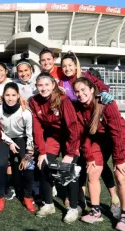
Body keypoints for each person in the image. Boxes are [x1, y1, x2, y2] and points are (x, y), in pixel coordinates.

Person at [60, 52, 119, 213]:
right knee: (82, 162)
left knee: (97, 164)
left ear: (76, 65)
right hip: (76, 128)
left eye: (70, 65)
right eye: (64, 66)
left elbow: (102, 88)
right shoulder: (62, 82)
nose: (67, 68)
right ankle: (80, 198)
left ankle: (114, 196)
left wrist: (106, 92)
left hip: (95, 129)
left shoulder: (87, 77)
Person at [73, 77, 125, 231]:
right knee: (92, 172)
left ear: (92, 89)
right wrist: (89, 156)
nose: (80, 94)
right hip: (100, 141)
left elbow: (117, 132)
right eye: (77, 91)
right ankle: (95, 211)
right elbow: (83, 135)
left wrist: (119, 159)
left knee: (121, 175)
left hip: (121, 139)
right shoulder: (79, 108)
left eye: (83, 90)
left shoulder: (106, 103)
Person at [28, 72, 81, 223]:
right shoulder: (34, 101)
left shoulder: (63, 100)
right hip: (53, 136)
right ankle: (48, 204)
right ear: (36, 86)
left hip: (70, 136)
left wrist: (70, 153)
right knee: (44, 165)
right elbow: (37, 128)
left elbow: (73, 127)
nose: (43, 88)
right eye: (40, 85)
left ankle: (73, 207)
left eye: (46, 85)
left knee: (69, 169)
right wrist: (41, 152)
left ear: (53, 85)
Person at [0, 82, 35, 213]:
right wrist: (9, 142)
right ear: (3, 96)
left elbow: (30, 135)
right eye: (7, 95)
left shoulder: (26, 112)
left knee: (29, 165)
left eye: (13, 95)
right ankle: (0, 196)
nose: (10, 98)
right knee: (1, 164)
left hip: (21, 138)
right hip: (4, 139)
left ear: (18, 96)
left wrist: (28, 154)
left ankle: (27, 196)